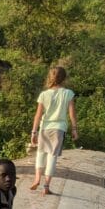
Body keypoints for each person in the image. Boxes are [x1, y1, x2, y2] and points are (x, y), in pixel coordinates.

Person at [30, 65, 78, 195]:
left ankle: (36, 179)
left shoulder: (44, 94)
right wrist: (74, 129)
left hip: (45, 127)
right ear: (64, 79)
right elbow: (72, 114)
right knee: (52, 157)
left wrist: (34, 132)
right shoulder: (68, 93)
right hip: (59, 129)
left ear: (50, 77)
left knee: (40, 153)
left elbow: (38, 115)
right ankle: (46, 186)